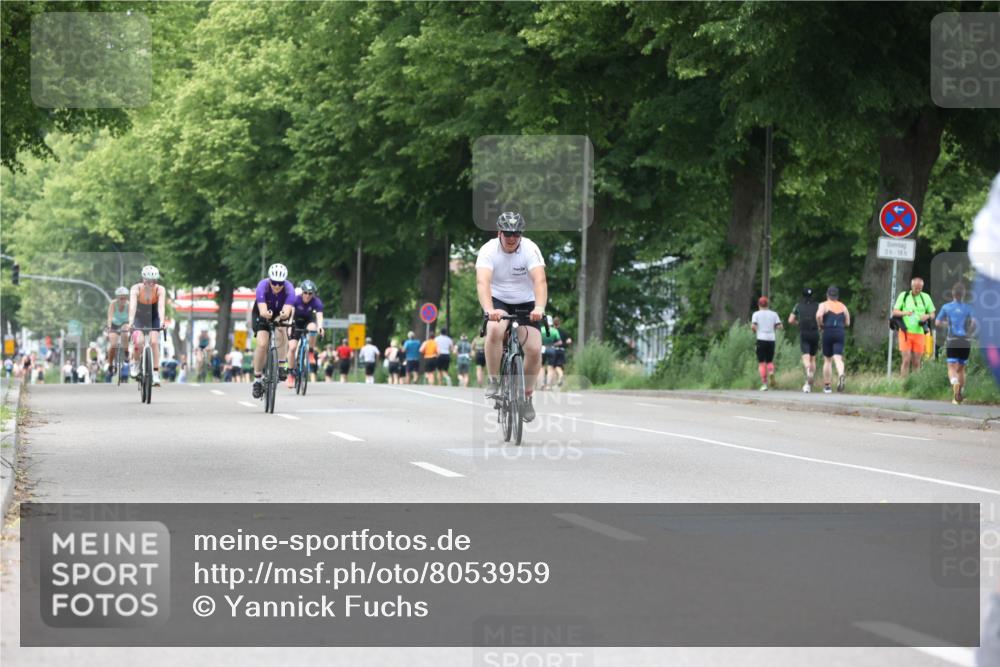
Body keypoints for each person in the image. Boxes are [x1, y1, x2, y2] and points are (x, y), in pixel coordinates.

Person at [476, 211, 547, 421]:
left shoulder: (530, 249)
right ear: (499, 233)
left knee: (534, 349)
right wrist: (489, 310)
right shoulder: (488, 250)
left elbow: (540, 281)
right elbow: (483, 282)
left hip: (526, 302)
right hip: (498, 300)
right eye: (507, 233)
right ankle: (494, 380)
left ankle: (526, 396)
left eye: (516, 234)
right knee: (494, 330)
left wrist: (539, 307)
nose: (512, 238)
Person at [250, 263, 295, 399]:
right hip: (262, 312)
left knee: (282, 328)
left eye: (280, 283)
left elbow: (287, 311)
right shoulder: (262, 286)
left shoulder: (289, 289)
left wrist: (283, 315)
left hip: (279, 313)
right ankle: (257, 379)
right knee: (262, 344)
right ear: (269, 280)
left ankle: (281, 364)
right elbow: (263, 310)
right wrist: (266, 314)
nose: (277, 286)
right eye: (274, 283)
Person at [125, 265, 167, 387]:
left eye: (153, 281)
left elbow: (161, 307)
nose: (150, 284)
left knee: (154, 342)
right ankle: (136, 363)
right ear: (143, 279)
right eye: (148, 281)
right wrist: (131, 322)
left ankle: (155, 373)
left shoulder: (160, 289)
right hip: (139, 317)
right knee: (139, 342)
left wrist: (162, 321)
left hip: (153, 317)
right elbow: (132, 306)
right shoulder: (136, 288)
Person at [936, 282, 976, 404]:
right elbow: (974, 323)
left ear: (953, 293)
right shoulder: (969, 308)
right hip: (965, 341)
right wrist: (969, 332)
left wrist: (947, 324)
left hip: (952, 340)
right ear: (963, 294)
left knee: (951, 367)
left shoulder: (946, 307)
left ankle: (954, 382)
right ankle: (959, 395)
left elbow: (937, 322)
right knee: (961, 369)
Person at [892, 276, 936, 378]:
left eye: (920, 288)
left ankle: (915, 384)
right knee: (906, 360)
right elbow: (895, 312)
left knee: (916, 362)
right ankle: (904, 383)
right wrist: (906, 313)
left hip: (919, 333)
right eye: (916, 288)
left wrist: (927, 316)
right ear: (911, 286)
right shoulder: (904, 296)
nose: (918, 290)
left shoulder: (926, 297)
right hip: (905, 332)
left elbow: (933, 314)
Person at [286, 279, 325, 388]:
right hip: (296, 322)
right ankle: (290, 374)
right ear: (302, 292)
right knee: (292, 348)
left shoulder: (317, 302)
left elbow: (319, 317)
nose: (307, 295)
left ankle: (311, 352)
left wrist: (320, 327)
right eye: (305, 293)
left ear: (313, 294)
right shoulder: (295, 299)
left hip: (308, 322)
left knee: (313, 328)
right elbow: (291, 314)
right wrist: (289, 325)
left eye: (310, 293)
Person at [816, 286, 851, 394]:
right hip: (840, 332)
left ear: (827, 295)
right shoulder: (843, 306)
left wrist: (820, 325)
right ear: (837, 296)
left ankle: (827, 386)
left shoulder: (824, 305)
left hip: (828, 331)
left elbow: (818, 315)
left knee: (827, 359)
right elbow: (848, 323)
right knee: (838, 358)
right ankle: (841, 374)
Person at [788, 287, 820, 393]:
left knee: (806, 357)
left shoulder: (798, 306)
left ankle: (808, 372)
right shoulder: (818, 305)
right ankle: (808, 383)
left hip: (804, 332)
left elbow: (790, 320)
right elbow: (821, 317)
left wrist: (798, 323)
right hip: (815, 333)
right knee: (813, 358)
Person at [750, 296, 782, 391]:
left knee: (761, 362)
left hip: (761, 339)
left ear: (758, 304)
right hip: (771, 339)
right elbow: (780, 326)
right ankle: (771, 372)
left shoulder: (756, 314)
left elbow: (753, 326)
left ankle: (764, 384)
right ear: (768, 304)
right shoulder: (774, 314)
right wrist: (773, 328)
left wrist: (755, 331)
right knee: (769, 361)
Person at [106, 286, 130, 373]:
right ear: (117, 298)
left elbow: (131, 317)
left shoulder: (129, 304)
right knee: (113, 345)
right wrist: (109, 326)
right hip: (114, 325)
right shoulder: (113, 304)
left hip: (125, 323)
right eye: (121, 298)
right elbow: (110, 317)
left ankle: (126, 352)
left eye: (125, 298)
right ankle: (110, 364)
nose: (123, 300)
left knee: (125, 332)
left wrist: (131, 325)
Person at [540, 318, 561, 390]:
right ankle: (548, 385)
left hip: (542, 348)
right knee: (550, 367)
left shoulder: (541, 329)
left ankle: (542, 383)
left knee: (541, 367)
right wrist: (553, 344)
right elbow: (560, 342)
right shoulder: (554, 331)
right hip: (551, 349)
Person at [551, 316, 571, 388]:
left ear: (553, 323)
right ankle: (559, 381)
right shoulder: (563, 332)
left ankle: (559, 377)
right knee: (560, 366)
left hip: (554, 351)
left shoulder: (552, 331)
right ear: (559, 323)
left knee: (555, 367)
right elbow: (569, 341)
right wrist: (566, 343)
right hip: (562, 351)